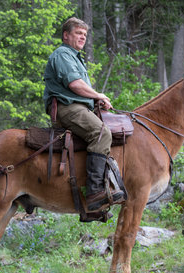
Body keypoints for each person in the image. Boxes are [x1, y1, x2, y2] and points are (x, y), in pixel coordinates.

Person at [43, 17, 125, 215]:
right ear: (66, 35)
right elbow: (74, 85)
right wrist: (98, 95)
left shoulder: (75, 57)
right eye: (78, 33)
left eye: (85, 35)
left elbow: (79, 89)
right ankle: (94, 192)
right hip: (67, 108)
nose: (83, 38)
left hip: (79, 107)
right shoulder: (62, 54)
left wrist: (96, 101)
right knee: (101, 133)